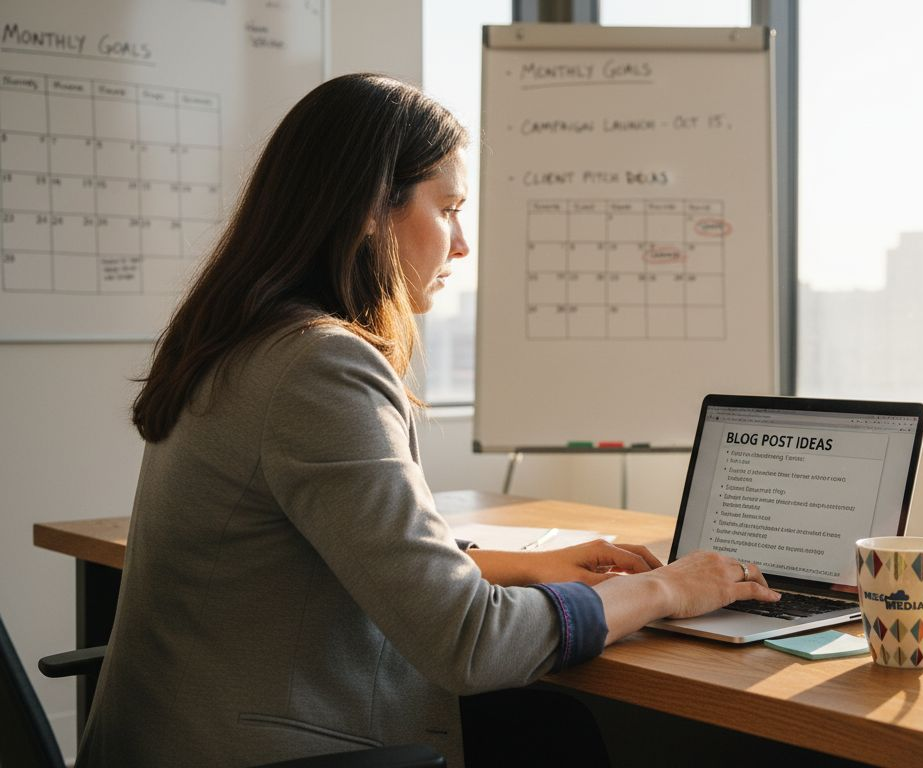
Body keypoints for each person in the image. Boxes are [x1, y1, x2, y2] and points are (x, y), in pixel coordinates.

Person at [75, 73, 778, 768]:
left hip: (169, 738)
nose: (463, 244)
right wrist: (662, 589)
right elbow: (469, 643)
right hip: (262, 752)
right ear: (371, 211)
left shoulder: (243, 340)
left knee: (545, 729)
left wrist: (526, 568)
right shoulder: (317, 368)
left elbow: (338, 546)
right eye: (448, 209)